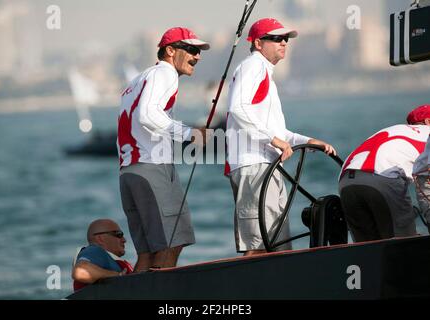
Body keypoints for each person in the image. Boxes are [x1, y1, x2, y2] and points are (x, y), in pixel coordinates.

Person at [225, 18, 336, 256]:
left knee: (276, 245)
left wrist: (307, 141)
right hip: (254, 165)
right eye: (276, 38)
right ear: (257, 43)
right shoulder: (253, 66)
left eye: (285, 39)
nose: (283, 42)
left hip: (266, 166)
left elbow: (280, 133)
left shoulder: (265, 73)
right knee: (258, 246)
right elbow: (237, 108)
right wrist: (274, 141)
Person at [117, 27, 211, 272]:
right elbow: (147, 115)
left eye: (199, 51)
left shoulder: (138, 79)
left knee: (147, 254)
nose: (197, 56)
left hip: (129, 174)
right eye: (191, 49)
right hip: (152, 169)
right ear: (170, 51)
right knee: (171, 244)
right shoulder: (165, 73)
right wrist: (190, 134)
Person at [339, 105, 430, 242]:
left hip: (346, 181)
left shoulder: (394, 130)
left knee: (365, 248)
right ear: (427, 122)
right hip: (383, 178)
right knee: (404, 241)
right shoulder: (427, 133)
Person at [72, 219, 133, 291]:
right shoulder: (94, 251)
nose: (124, 240)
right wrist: (117, 276)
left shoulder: (110, 260)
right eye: (118, 234)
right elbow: (81, 271)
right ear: (100, 238)